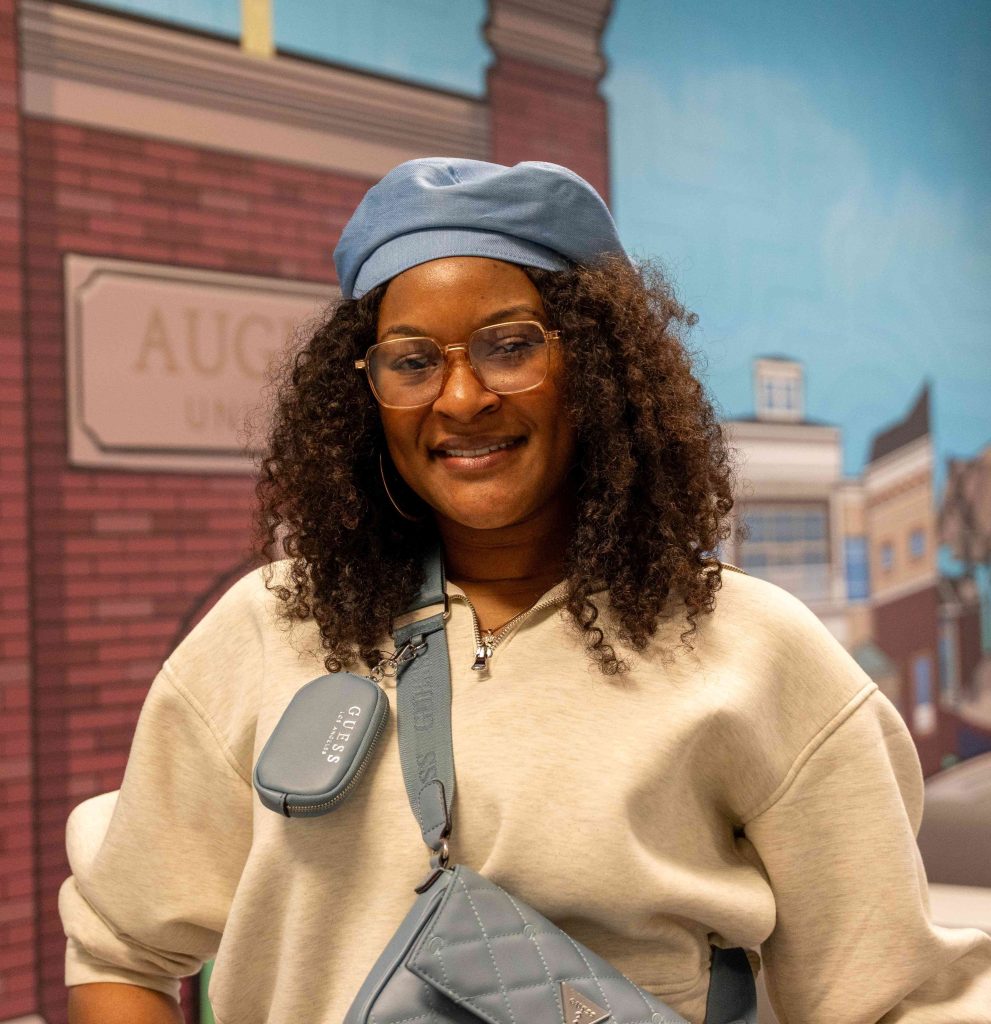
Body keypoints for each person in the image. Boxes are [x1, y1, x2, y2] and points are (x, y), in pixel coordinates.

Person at [60, 159, 991, 1024]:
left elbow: (890, 998)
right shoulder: (271, 629)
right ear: (365, 395)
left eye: (509, 347)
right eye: (413, 360)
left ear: (598, 367)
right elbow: (120, 947)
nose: (461, 399)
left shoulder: (751, 652)